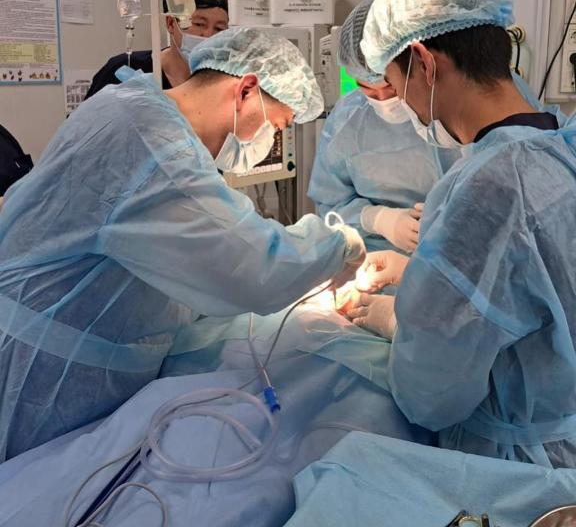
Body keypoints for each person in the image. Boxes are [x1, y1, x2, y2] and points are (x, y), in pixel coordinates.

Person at [0, 27, 365, 462]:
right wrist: (338, 245)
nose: (270, 139)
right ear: (246, 90)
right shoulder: (155, 149)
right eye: (276, 125)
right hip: (43, 369)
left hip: (56, 340)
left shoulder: (127, 106)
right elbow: (255, 266)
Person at [346, 0, 576, 468]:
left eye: (394, 83)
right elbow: (542, 286)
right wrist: (422, 274)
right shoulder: (560, 143)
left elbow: (432, 396)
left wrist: (404, 321)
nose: (402, 104)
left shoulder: (490, 186)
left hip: (522, 465)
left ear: (424, 63)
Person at [308, 0, 460, 254]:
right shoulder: (347, 120)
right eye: (367, 88)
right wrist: (379, 219)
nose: (383, 101)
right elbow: (329, 203)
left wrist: (453, 219)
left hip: (456, 256)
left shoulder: (454, 106)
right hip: (374, 257)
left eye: (390, 86)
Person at [85, 0, 229, 96]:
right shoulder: (126, 68)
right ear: (171, 23)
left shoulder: (223, 81)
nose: (209, 36)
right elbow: (84, 121)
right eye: (199, 24)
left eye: (219, 28)